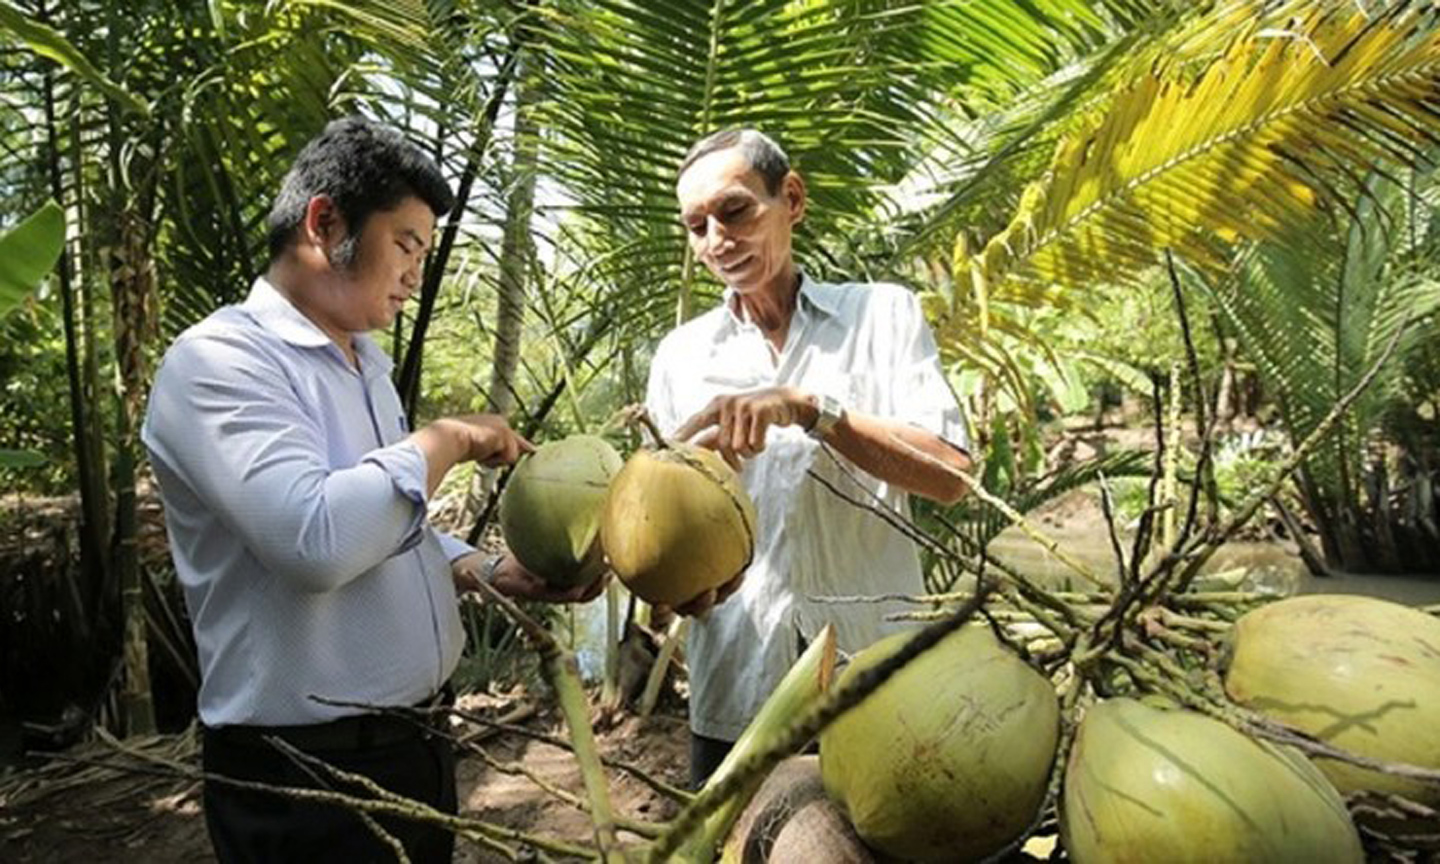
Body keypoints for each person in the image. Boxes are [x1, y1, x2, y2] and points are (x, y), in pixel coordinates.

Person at [142, 117, 602, 863]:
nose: (416, 274)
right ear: (325, 224)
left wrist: (484, 568)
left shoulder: (366, 367)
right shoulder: (218, 362)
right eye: (407, 246)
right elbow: (315, 540)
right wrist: (445, 442)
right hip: (308, 774)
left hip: (415, 747)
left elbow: (382, 522)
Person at [645, 128, 974, 786]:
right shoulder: (680, 357)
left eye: (735, 211)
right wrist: (679, 565)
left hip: (879, 685)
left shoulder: (883, 316)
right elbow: (656, 557)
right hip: (739, 686)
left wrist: (811, 409)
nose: (717, 240)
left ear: (791, 198)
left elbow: (951, 475)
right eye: (697, 225)